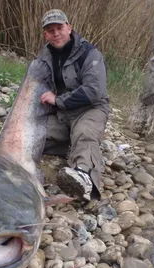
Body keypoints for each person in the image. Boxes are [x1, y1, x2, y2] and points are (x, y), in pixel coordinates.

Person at [38, 9, 111, 201]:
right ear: (45, 34)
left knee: (84, 134)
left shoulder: (90, 53)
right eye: (50, 30)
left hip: (90, 109)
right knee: (36, 135)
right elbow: (39, 86)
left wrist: (58, 100)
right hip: (61, 113)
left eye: (59, 28)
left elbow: (94, 92)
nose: (56, 33)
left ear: (69, 28)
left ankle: (83, 177)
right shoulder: (43, 57)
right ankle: (70, 145)